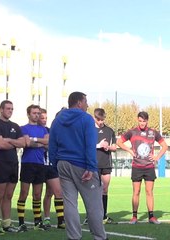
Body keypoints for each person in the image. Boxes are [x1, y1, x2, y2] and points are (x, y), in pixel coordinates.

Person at [49, 92, 107, 240]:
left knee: (69, 203)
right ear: (79, 103)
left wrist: (55, 163)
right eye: (86, 101)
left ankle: (73, 237)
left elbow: (52, 145)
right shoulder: (86, 119)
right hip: (82, 165)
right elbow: (89, 144)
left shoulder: (57, 120)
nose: (87, 105)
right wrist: (91, 167)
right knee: (94, 204)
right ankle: (100, 237)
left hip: (63, 164)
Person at [116, 111, 168, 225]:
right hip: (137, 167)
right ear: (137, 120)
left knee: (149, 192)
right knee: (136, 191)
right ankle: (134, 217)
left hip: (149, 167)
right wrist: (129, 150)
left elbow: (165, 146)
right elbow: (119, 142)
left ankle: (151, 217)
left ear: (147, 121)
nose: (142, 123)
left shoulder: (153, 132)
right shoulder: (132, 132)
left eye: (144, 121)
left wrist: (157, 157)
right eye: (140, 121)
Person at [0, 100, 25, 234]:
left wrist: (8, 140)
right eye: (8, 108)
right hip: (0, 163)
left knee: (9, 195)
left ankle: (7, 223)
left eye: (12, 109)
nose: (10, 111)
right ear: (1, 109)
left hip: (13, 163)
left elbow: (23, 143)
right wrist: (13, 142)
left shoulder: (15, 126)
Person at [16, 104, 49, 231]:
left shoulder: (44, 129)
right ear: (28, 114)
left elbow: (47, 143)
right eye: (34, 113)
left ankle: (37, 222)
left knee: (37, 194)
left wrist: (35, 140)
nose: (37, 115)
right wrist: (40, 142)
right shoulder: (23, 128)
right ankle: (21, 222)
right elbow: (27, 143)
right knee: (24, 193)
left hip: (40, 164)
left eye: (38, 113)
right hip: (27, 163)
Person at [84, 108, 117, 225]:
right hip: (93, 165)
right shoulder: (89, 130)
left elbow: (115, 147)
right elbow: (85, 146)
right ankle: (90, 216)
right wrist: (98, 145)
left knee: (104, 190)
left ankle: (103, 216)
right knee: (92, 191)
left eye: (102, 119)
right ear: (94, 118)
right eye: (98, 119)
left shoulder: (109, 130)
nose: (101, 122)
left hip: (106, 164)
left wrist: (108, 147)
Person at [39, 108, 65, 229]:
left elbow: (50, 145)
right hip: (38, 164)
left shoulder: (51, 130)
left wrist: (44, 143)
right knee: (39, 194)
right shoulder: (36, 130)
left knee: (56, 192)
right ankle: (44, 218)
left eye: (45, 118)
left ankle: (60, 220)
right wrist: (43, 142)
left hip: (51, 165)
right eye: (42, 117)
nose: (44, 120)